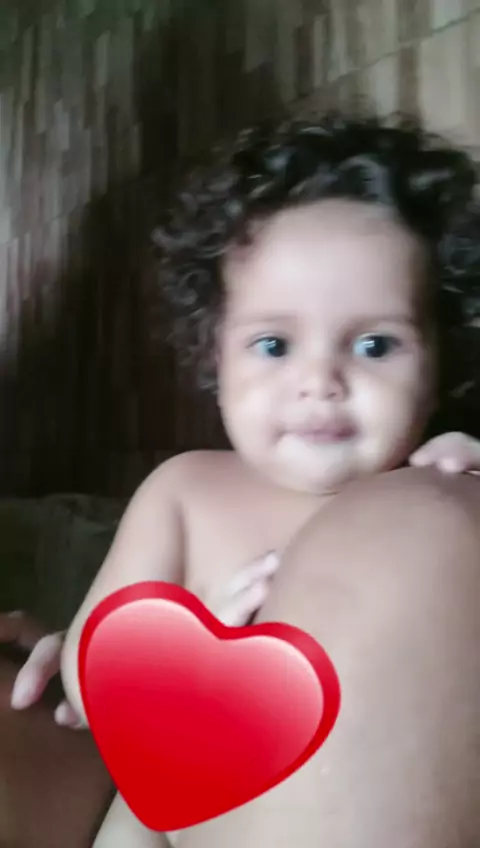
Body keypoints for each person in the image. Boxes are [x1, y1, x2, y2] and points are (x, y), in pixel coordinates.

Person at [3, 112, 480, 846]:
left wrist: (461, 482)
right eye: (274, 345)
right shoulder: (185, 491)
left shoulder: (434, 484)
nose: (319, 380)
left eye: (375, 345)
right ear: (215, 360)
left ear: (439, 364)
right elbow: (90, 667)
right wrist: (190, 661)